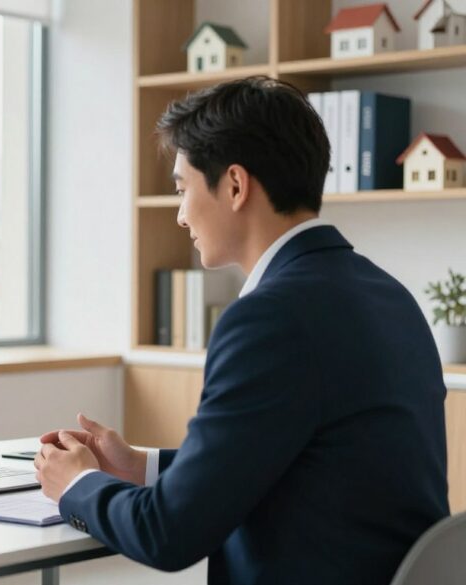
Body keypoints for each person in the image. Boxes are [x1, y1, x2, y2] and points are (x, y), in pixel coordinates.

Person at [33, 77, 449, 585]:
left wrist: (76, 482)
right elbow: (301, 460)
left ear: (234, 185)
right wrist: (140, 466)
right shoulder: (389, 296)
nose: (181, 215)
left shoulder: (270, 319)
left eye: (183, 189)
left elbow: (167, 534)